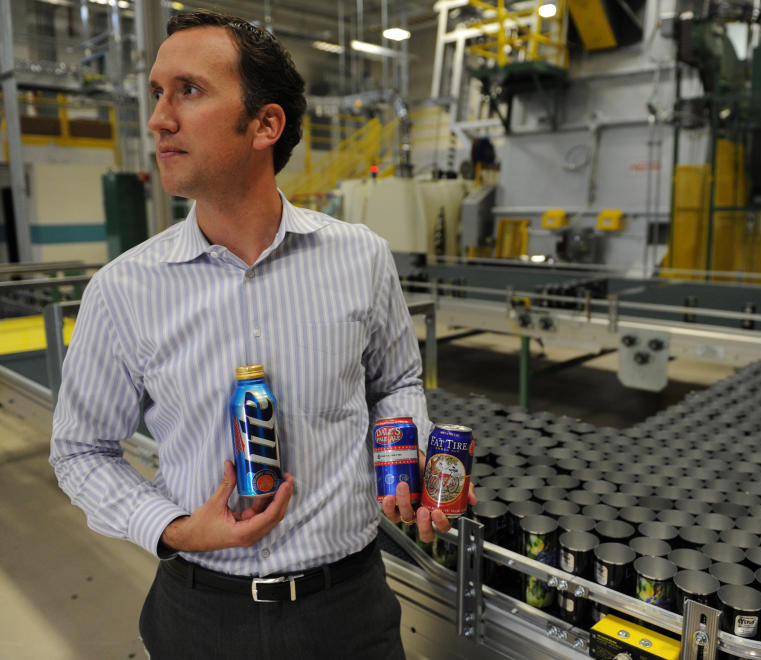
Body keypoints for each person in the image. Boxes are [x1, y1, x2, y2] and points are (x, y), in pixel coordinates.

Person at [49, 10, 460, 659]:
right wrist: (176, 529)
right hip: (202, 616)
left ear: (266, 124)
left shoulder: (360, 257)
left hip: (349, 609)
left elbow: (397, 382)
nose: (158, 118)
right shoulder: (123, 291)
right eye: (157, 93)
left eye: (187, 90)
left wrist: (401, 464)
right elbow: (79, 450)